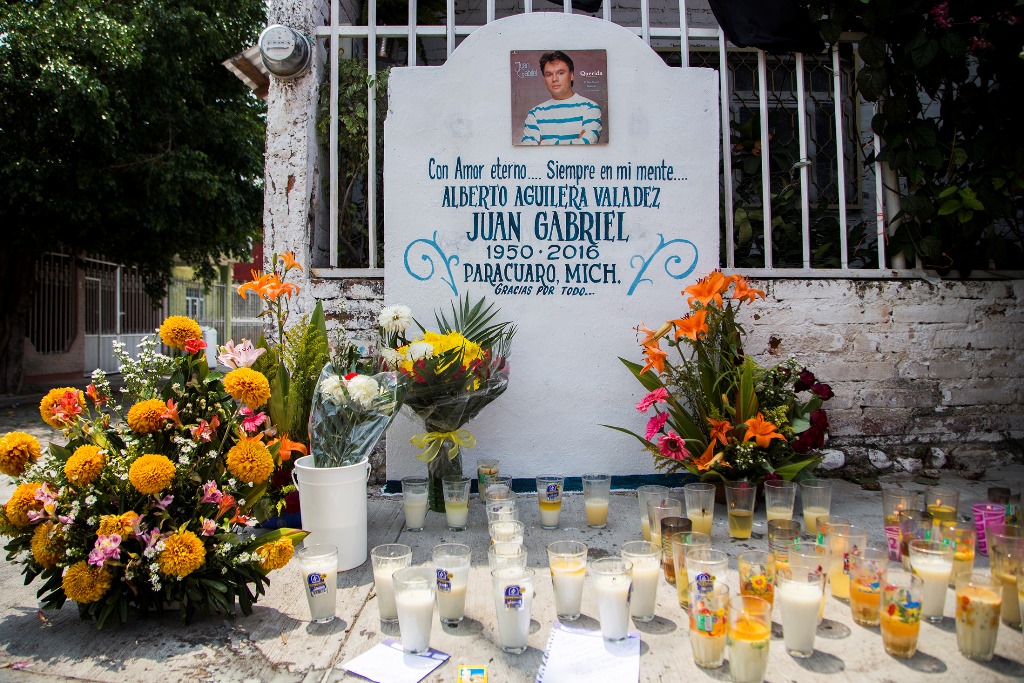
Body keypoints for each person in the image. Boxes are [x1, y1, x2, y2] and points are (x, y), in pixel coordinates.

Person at [520, 51, 602, 145]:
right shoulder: (535, 113)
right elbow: (528, 153)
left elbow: (586, 144)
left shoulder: (590, 107)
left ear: (571, 75)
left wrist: (544, 143)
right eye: (549, 74)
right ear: (544, 80)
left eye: (560, 73)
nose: (554, 79)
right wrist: (576, 141)